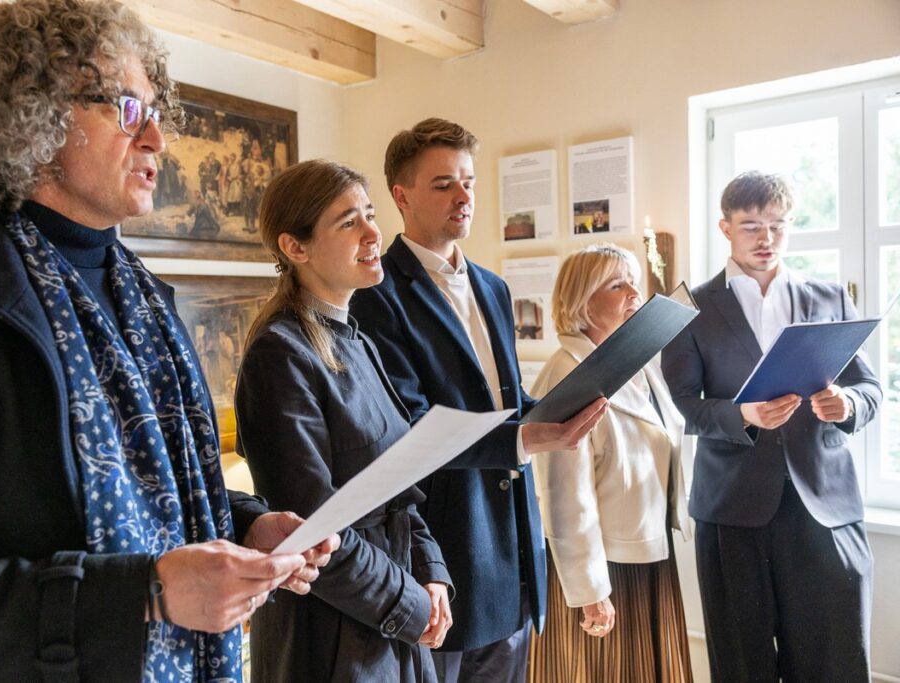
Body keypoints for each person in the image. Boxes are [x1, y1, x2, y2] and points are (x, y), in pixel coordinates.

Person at [0, 1, 339, 680]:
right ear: (29, 115)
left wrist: (245, 524)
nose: (156, 138)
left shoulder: (151, 302)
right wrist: (143, 594)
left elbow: (161, 493)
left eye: (155, 113)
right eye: (126, 109)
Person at [351, 118, 607, 683]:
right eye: (443, 184)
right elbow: (411, 428)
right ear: (401, 196)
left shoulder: (493, 286)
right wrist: (528, 436)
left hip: (515, 548)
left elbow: (504, 397)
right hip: (447, 549)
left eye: (467, 181)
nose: (463, 196)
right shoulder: (376, 294)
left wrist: (566, 403)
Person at [235, 159, 453, 682]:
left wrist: (432, 576)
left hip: (391, 609)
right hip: (333, 632)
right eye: (348, 221)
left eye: (371, 214)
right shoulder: (279, 354)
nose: (374, 232)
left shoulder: (357, 340)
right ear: (296, 247)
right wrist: (409, 605)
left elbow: (399, 487)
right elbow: (314, 525)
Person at [662, 171, 881, 682]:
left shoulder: (830, 298)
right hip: (732, 511)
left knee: (838, 660)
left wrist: (846, 405)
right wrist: (743, 415)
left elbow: (871, 391)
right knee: (743, 663)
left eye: (778, 226)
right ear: (725, 227)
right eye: (751, 226)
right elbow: (679, 405)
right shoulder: (688, 309)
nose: (766, 239)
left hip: (825, 506)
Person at [526, 244, 692, 683]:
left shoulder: (637, 363)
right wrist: (589, 590)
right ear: (582, 301)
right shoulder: (570, 374)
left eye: (634, 280)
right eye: (617, 284)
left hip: (644, 551)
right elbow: (563, 496)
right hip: (602, 568)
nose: (634, 291)